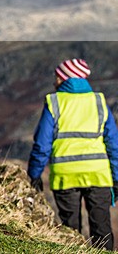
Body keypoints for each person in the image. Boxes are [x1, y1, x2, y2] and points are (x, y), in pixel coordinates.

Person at [28, 58, 118, 250]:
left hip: (65, 175)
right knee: (102, 229)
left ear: (65, 78)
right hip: (98, 174)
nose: (55, 81)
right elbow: (113, 144)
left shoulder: (54, 102)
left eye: (57, 77)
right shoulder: (99, 101)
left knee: (70, 232)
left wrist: (34, 175)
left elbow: (42, 144)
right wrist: (116, 178)